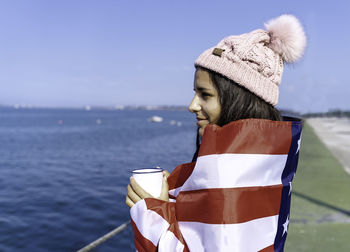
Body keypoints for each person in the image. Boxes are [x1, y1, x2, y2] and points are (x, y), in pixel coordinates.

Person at [126, 14, 306, 252]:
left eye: (205, 94)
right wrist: (176, 195)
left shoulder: (227, 178)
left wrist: (153, 211)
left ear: (239, 99)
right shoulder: (262, 167)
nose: (192, 105)